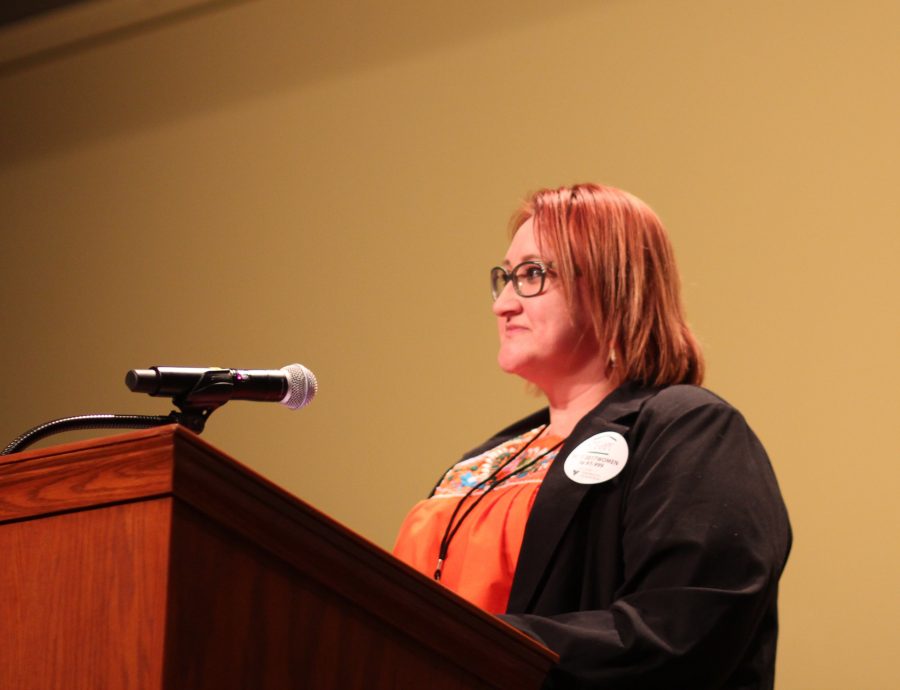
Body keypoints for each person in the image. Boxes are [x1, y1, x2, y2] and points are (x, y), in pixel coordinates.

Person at [393, 183, 791, 690]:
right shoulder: (485, 461)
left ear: (610, 283)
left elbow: (677, 633)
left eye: (533, 275)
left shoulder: (687, 431)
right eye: (505, 278)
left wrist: (466, 645)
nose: (503, 305)